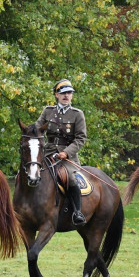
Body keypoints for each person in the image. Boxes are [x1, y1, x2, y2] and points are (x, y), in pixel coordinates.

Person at [36, 78, 88, 226]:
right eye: (63, 93)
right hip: (48, 153)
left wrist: (66, 152)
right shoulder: (48, 111)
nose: (66, 96)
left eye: (69, 93)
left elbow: (81, 138)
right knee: (30, 171)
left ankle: (77, 212)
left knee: (70, 179)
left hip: (67, 158)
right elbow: (37, 128)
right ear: (56, 95)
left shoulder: (77, 114)